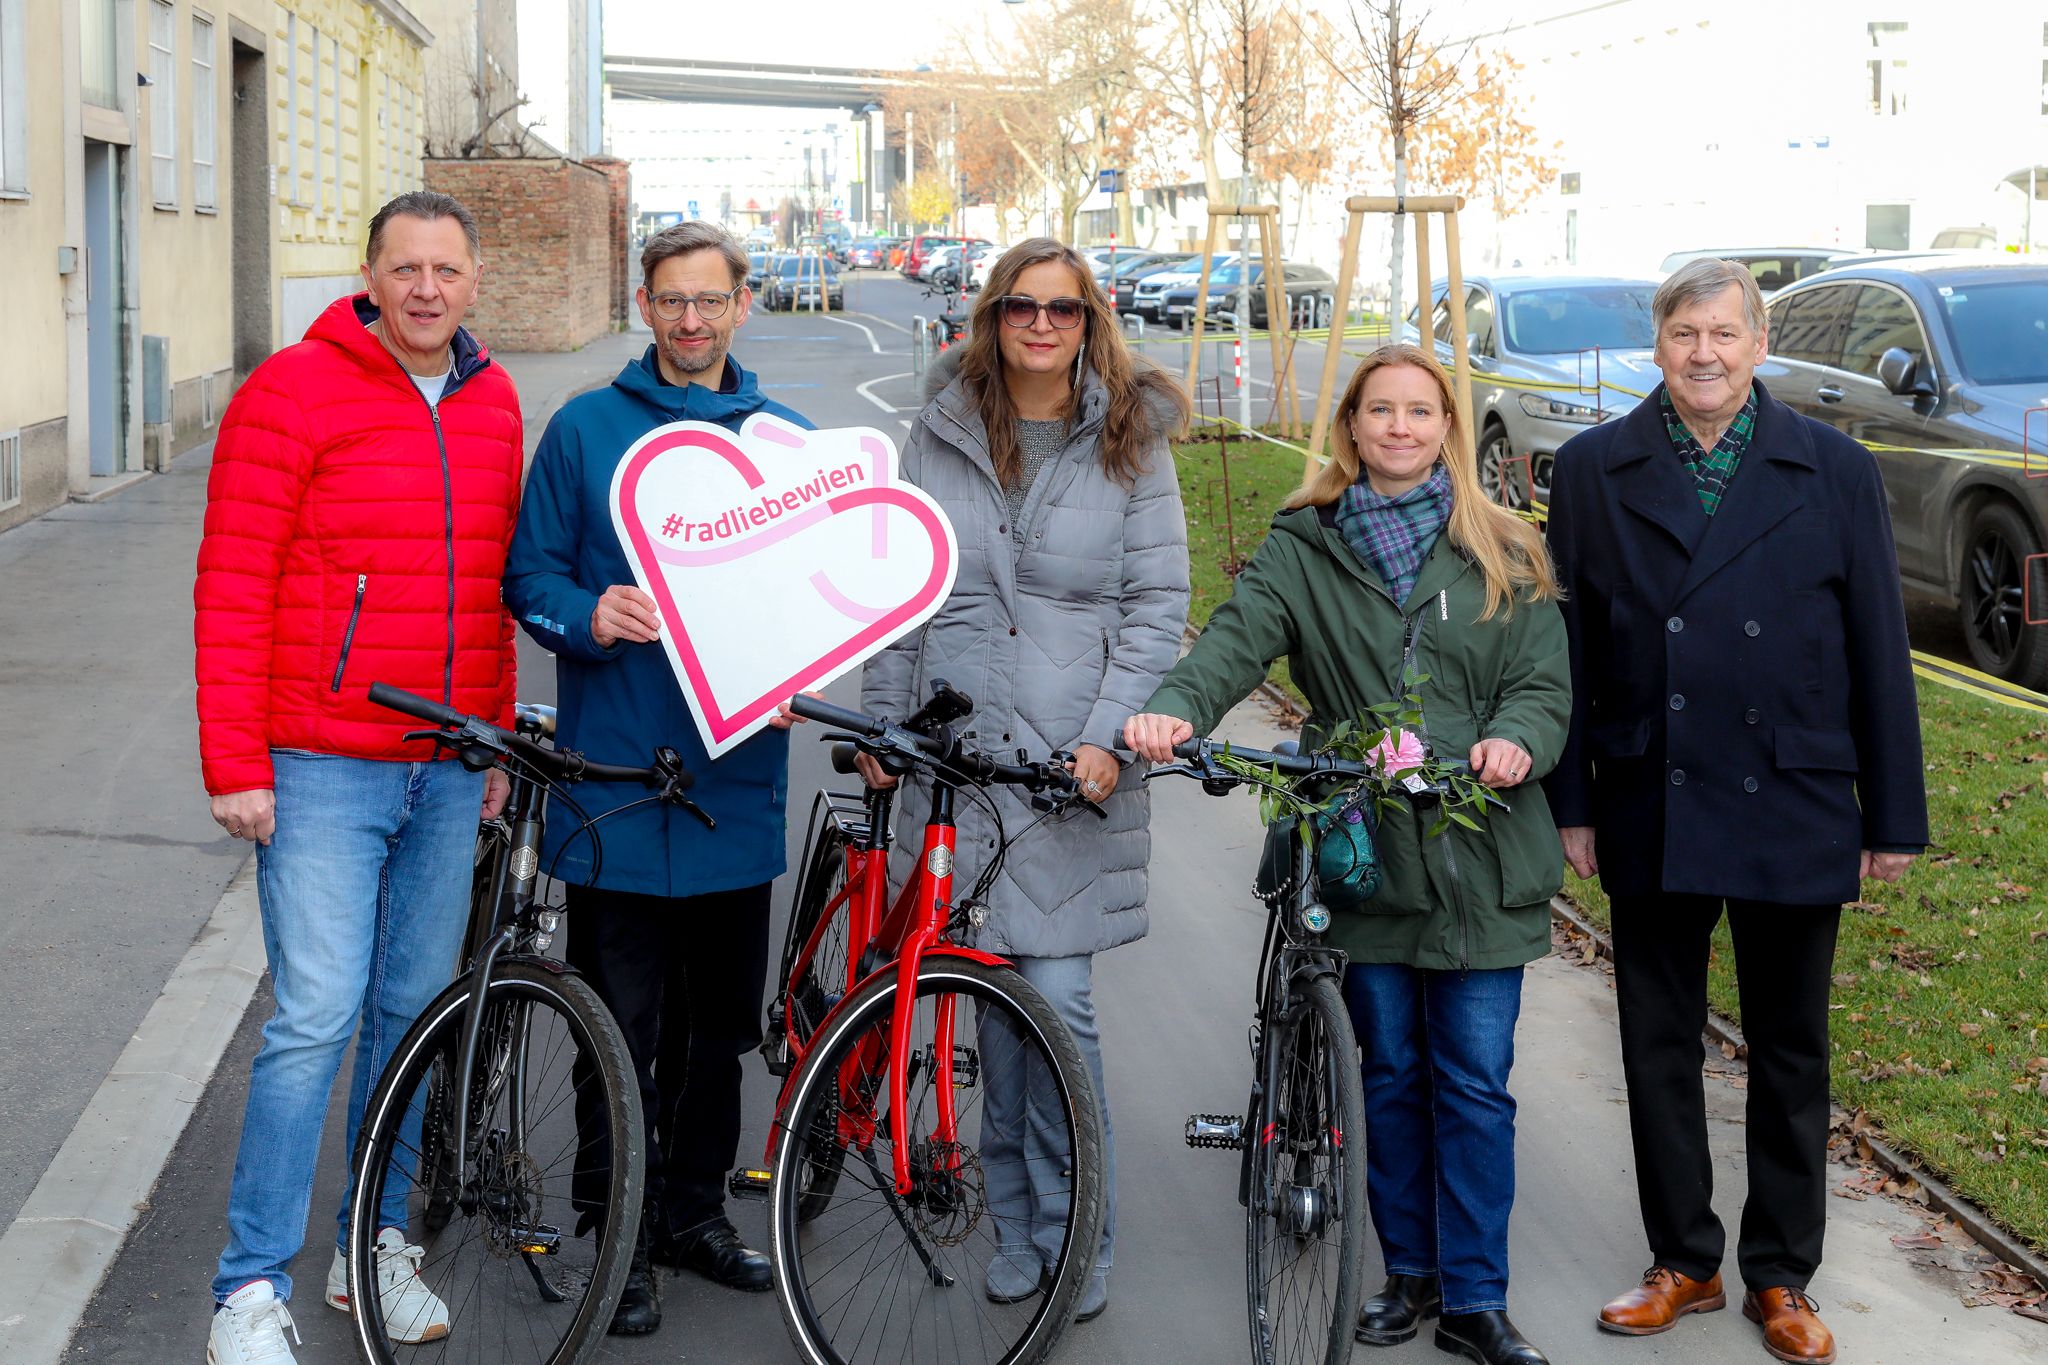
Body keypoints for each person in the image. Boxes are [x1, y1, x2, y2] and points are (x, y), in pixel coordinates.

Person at [1127, 343, 1569, 1365]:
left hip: (1480, 853)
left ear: (1446, 429)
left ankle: (1474, 1300)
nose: (1399, 428)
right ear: (1350, 428)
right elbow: (1233, 641)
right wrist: (1171, 712)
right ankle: (1407, 1274)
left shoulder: (1504, 548)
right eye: (1380, 411)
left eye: (1420, 412)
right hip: (1361, 843)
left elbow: (1541, 683)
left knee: (1471, 1078)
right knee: (1390, 1071)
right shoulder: (1303, 545)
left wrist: (1517, 741)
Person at [1544, 257, 1927, 1365]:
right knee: (1656, 1042)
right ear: (1654, 345)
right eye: (1681, 334)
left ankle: (1781, 1275)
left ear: (1758, 346)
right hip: (1645, 786)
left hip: (1793, 790)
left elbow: (1875, 649)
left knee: (1789, 1048)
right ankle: (1683, 1261)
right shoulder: (1589, 469)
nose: (1701, 354)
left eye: (1722, 334)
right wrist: (1572, 802)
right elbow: (1564, 650)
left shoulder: (1833, 467)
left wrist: (1889, 814)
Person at [194, 191, 523, 1365]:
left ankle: (371, 1245)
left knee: (409, 1017)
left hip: (442, 772)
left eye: (446, 267)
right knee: (315, 1017)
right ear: (369, 278)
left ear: (474, 279)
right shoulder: (288, 392)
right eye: (405, 268)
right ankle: (247, 1286)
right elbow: (234, 583)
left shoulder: (491, 400)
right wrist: (235, 763)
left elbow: (487, 582)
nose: (426, 288)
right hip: (320, 763)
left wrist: (487, 736)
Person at [858, 237, 1191, 1323]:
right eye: (1018, 306)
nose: (1038, 325)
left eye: (1060, 308)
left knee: (1054, 1001)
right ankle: (1017, 1218)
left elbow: (1155, 610)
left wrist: (1104, 739)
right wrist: (880, 722)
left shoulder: (1132, 439)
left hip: (1066, 769)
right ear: (990, 317)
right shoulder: (941, 426)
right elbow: (900, 589)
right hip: (956, 760)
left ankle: (1075, 1224)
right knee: (987, 1008)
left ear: (1089, 320)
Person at [502, 221, 811, 1335]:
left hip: (732, 787)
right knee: (614, 1031)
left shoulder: (786, 445)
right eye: (672, 301)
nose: (691, 321)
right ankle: (618, 1235)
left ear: (741, 305)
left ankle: (690, 1216)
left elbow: (818, 601)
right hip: (617, 781)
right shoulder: (584, 431)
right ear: (645, 303)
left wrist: (805, 667)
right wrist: (585, 613)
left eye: (710, 302)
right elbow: (526, 576)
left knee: (719, 1032)